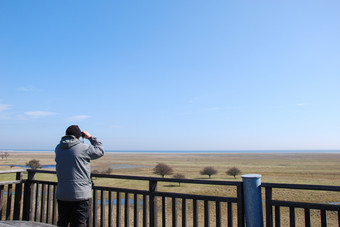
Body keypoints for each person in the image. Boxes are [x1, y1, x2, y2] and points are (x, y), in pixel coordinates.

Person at [55, 125, 104, 227]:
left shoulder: (58, 148)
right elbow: (100, 151)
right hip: (80, 194)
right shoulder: (83, 148)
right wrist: (90, 137)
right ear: (78, 136)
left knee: (62, 222)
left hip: (63, 193)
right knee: (79, 223)